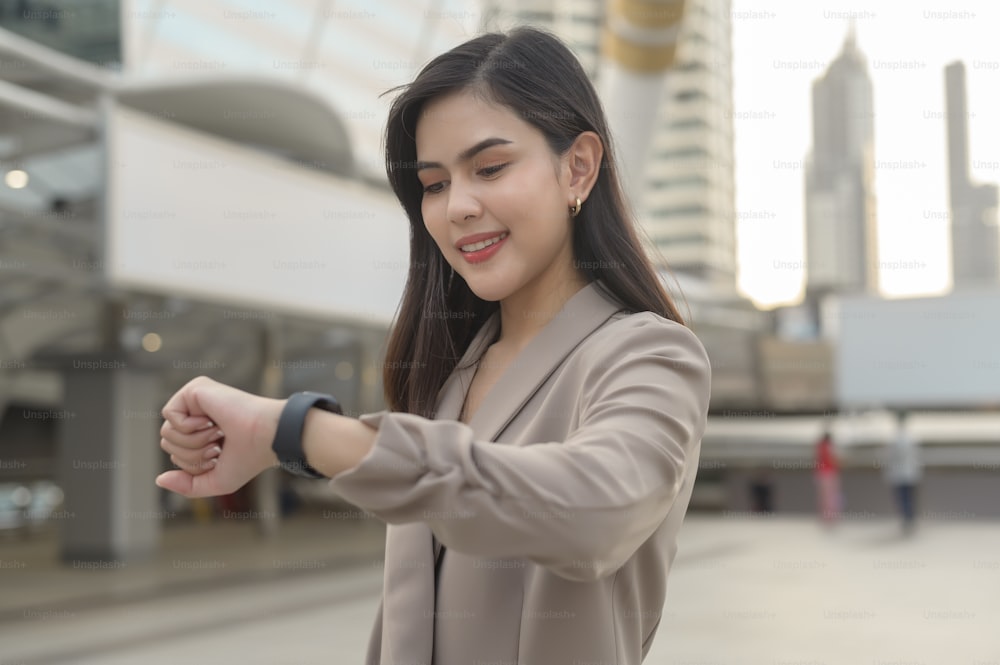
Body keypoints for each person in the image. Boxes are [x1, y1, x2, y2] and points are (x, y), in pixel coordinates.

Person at [156, 27, 711, 665]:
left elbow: (593, 512)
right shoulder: (452, 373)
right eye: (435, 184)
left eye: (491, 168)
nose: (458, 208)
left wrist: (294, 431)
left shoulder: (650, 356)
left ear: (578, 166)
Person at [884, 410, 921, 534]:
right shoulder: (909, 438)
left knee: (904, 499)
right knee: (908, 498)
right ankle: (909, 520)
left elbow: (891, 457)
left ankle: (907, 520)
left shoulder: (897, 439)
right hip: (909, 474)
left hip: (901, 475)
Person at [814, 429, 842, 525]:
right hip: (829, 473)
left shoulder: (819, 446)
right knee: (830, 496)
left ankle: (826, 516)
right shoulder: (828, 447)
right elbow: (832, 459)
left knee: (824, 496)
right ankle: (830, 516)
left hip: (821, 473)